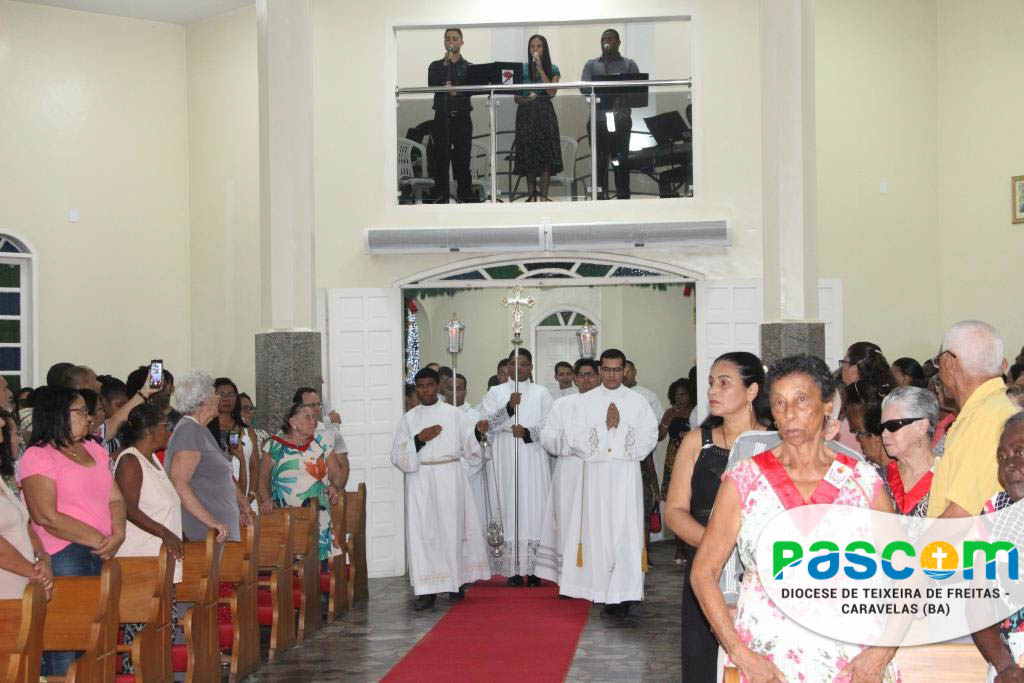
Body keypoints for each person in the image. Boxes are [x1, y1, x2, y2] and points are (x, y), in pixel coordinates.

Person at [690, 354, 898, 682]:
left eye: (801, 400)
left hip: (853, 660)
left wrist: (882, 652)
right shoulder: (745, 480)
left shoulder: (861, 481)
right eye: (779, 403)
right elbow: (703, 573)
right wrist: (740, 653)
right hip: (769, 662)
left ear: (827, 405)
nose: (789, 413)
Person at [664, 351, 767, 682]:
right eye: (711, 383)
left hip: (760, 572)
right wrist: (717, 546)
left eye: (724, 383)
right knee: (704, 660)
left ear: (752, 391)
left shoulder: (773, 443)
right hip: (706, 569)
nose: (712, 391)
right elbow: (675, 511)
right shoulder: (697, 441)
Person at [18, 386, 127, 675]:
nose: (89, 418)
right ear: (58, 414)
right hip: (64, 554)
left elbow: (115, 498)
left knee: (95, 638)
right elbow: (46, 516)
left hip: (102, 551)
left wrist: (118, 533)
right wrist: (100, 539)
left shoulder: (93, 449)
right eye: (81, 412)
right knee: (65, 640)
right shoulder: (38, 456)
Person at [555, 349, 657, 614]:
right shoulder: (584, 402)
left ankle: (627, 593)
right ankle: (602, 590)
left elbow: (648, 438)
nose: (612, 375)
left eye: (617, 369)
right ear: (600, 370)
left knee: (627, 531)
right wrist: (604, 428)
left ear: (625, 371)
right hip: (596, 475)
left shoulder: (637, 402)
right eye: (607, 369)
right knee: (598, 530)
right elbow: (574, 438)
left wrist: (619, 428)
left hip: (626, 474)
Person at [390, 368, 490, 609]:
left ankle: (455, 582)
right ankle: (427, 590)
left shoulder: (454, 414)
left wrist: (478, 433)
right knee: (424, 534)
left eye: (429, 385)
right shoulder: (409, 419)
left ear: (438, 387)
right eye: (420, 386)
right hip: (421, 479)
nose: (425, 390)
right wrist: (419, 439)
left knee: (451, 530)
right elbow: (396, 455)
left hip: (449, 477)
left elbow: (471, 448)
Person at [113, 403, 183, 674]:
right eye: (165, 426)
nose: (169, 431)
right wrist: (165, 533)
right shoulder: (130, 460)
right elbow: (128, 507)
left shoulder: (152, 460)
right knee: (143, 635)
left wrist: (178, 534)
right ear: (150, 430)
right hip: (141, 563)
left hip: (160, 563)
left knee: (162, 631)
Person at [928, 320, 1019, 518]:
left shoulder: (985, 419)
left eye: (938, 361)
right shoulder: (993, 409)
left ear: (950, 363)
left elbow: (960, 516)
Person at [479, 348, 553, 585]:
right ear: (507, 366)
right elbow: (485, 424)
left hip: (532, 454)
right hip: (505, 454)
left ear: (531, 367)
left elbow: (550, 424)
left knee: (534, 505)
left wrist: (529, 432)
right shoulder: (496, 392)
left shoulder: (541, 392)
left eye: (523, 364)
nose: (518, 368)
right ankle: (512, 570)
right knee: (508, 505)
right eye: (513, 363)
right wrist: (509, 408)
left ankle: (535, 570)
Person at [535, 358, 599, 593]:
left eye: (590, 374)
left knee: (595, 522)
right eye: (581, 375)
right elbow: (547, 438)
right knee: (567, 522)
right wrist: (574, 444)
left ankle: (596, 576)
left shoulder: (607, 403)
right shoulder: (562, 404)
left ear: (598, 376)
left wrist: (578, 442)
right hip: (569, 471)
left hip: (597, 471)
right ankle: (568, 580)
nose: (586, 379)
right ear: (575, 378)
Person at [969, 412, 1024, 680]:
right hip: (1009, 659)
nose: (1009, 465)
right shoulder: (994, 512)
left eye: (1020, 452)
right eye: (1002, 457)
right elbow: (976, 601)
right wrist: (1005, 667)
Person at [165, 370, 249, 543]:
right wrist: (212, 522)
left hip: (217, 535)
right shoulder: (188, 431)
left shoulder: (201, 429)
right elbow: (179, 483)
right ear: (203, 400)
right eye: (214, 394)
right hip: (204, 535)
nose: (218, 398)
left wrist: (243, 505)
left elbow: (222, 476)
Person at [257, 402, 344, 562]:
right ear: (293, 422)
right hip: (285, 517)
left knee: (319, 567)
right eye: (307, 417)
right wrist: (266, 499)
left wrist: (334, 485)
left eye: (314, 418)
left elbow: (335, 472)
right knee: (289, 567)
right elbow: (262, 478)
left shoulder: (322, 442)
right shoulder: (274, 445)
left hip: (319, 515)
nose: (313, 421)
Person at [0, 409, 52, 600]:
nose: (2, 423)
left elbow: (23, 523)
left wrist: (41, 557)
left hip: (21, 591)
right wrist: (34, 572)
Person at [581, 28, 639, 200]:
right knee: (600, 161)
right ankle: (600, 198)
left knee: (621, 160)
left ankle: (623, 197)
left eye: (610, 38)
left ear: (618, 42)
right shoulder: (592, 65)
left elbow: (638, 89)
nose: (606, 41)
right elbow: (584, 88)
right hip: (598, 120)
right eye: (603, 39)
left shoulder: (629, 64)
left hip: (621, 120)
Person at [427, 28, 475, 204]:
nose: (451, 42)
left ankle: (465, 200)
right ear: (444, 42)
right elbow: (432, 84)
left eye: (455, 38)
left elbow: (472, 91)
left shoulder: (469, 67)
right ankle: (441, 201)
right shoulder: (435, 66)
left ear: (461, 42)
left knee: (462, 162)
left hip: (462, 119)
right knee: (440, 162)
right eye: (448, 39)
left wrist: (457, 92)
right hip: (442, 118)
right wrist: (445, 65)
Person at [878, 386, 939, 523]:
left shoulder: (950, 476)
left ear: (921, 426)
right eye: (882, 427)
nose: (884, 434)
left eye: (893, 425)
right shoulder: (877, 479)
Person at [514, 34, 562, 202]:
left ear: (544, 49)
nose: (535, 49)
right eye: (532, 46)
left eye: (539, 46)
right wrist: (526, 99)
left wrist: (540, 69)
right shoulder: (522, 69)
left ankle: (543, 197)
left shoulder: (553, 69)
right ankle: (531, 196)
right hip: (526, 113)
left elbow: (552, 92)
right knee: (528, 154)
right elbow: (516, 97)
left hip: (544, 112)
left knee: (545, 155)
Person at [622, 360, 664, 553]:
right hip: (619, 461)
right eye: (622, 371)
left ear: (635, 372)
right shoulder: (614, 396)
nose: (625, 375)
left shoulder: (647, 396)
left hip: (642, 457)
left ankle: (644, 555)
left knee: (643, 508)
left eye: (628, 371)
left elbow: (655, 427)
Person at [658, 377, 694, 565]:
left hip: (693, 457)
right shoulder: (670, 412)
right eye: (677, 395)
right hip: (674, 460)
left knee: (694, 502)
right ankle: (679, 548)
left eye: (684, 394)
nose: (680, 398)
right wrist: (667, 419)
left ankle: (692, 545)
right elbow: (659, 436)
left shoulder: (697, 411)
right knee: (678, 502)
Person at [293, 387, 351, 491]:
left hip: (323, 495)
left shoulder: (333, 434)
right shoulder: (284, 435)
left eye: (318, 405)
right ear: (298, 408)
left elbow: (343, 466)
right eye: (311, 405)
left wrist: (336, 488)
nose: (316, 409)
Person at [209, 377, 258, 501]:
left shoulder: (245, 426)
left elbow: (255, 465)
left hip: (248, 497)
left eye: (231, 394)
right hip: (218, 497)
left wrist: (251, 494)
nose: (226, 399)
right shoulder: (205, 426)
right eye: (222, 394)